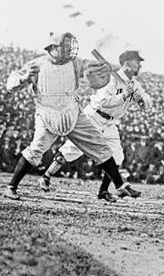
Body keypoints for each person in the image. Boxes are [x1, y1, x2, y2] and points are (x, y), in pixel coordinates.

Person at [2, 32, 142, 201]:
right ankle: (11, 187)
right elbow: (11, 84)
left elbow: (93, 73)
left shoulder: (75, 63)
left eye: (71, 46)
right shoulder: (36, 65)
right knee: (36, 149)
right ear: (53, 48)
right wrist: (22, 79)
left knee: (100, 146)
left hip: (72, 112)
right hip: (47, 114)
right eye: (66, 47)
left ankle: (119, 185)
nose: (70, 50)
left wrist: (102, 68)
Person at [39, 50, 153, 202]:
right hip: (94, 117)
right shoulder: (110, 79)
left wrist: (141, 100)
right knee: (72, 150)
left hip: (110, 122)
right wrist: (124, 96)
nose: (139, 65)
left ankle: (103, 191)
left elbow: (146, 105)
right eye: (137, 62)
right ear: (127, 63)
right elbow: (102, 102)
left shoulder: (135, 84)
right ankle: (46, 176)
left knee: (117, 156)